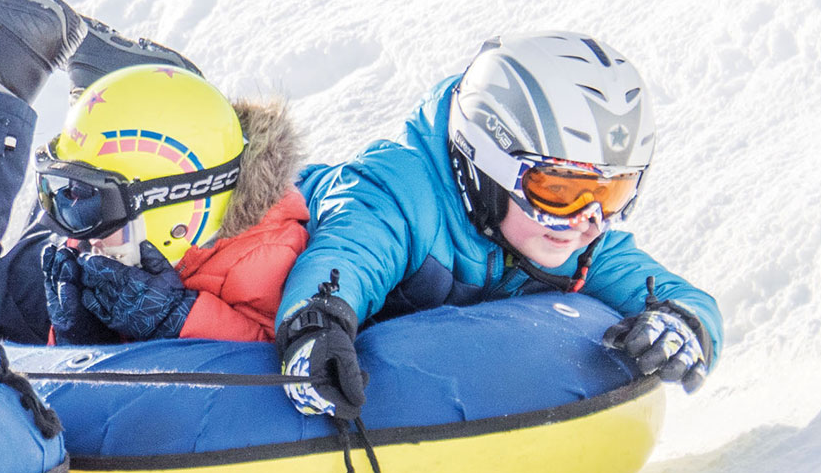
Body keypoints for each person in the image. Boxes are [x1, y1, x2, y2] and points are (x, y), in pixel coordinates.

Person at [274, 32, 724, 418]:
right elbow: (348, 256)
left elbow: (676, 295)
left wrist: (682, 323)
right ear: (486, 169)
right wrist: (316, 327)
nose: (587, 220)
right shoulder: (398, 193)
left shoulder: (575, 241)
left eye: (611, 195)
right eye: (560, 191)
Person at [0, 0, 309, 347]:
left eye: (78, 199)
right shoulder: (136, 233)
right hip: (126, 247)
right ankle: (121, 94)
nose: (67, 227)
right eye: (59, 192)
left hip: (136, 256)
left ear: (175, 209)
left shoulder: (264, 267)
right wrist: (80, 335)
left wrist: (172, 321)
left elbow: (272, 374)